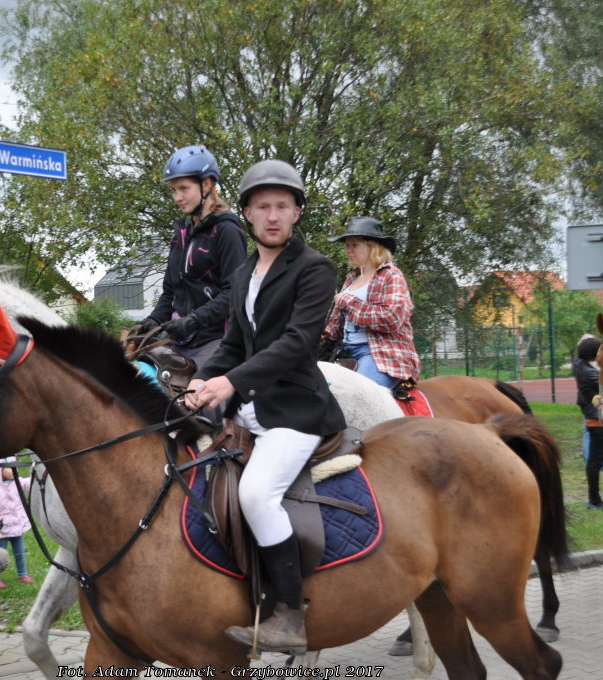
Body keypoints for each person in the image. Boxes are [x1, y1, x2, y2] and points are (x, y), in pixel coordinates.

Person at [185, 159, 346, 655]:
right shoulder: (241, 273)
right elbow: (236, 343)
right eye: (263, 207)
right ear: (249, 214)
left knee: (256, 494)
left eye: (282, 206)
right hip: (248, 410)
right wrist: (202, 379)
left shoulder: (315, 268)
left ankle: (290, 615)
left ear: (296, 212)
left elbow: (297, 343)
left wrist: (230, 382)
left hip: (295, 410)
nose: (272, 216)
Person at [137, 145, 247, 368]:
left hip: (217, 339)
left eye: (184, 188)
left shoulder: (227, 231)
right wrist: (155, 318)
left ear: (206, 184)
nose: (177, 197)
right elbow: (170, 291)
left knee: (199, 389)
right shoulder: (181, 233)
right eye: (173, 190)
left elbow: (234, 293)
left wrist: (195, 320)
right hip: (180, 338)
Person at [322, 217, 420, 390]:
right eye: (347, 246)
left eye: (354, 245)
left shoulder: (391, 275)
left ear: (372, 247)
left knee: (356, 394)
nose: (349, 251)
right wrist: (319, 334)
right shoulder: (351, 279)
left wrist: (349, 302)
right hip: (345, 353)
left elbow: (391, 318)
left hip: (381, 355)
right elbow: (337, 325)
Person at [0, 457, 35, 589]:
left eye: (14, 466)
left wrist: (36, 470)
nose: (13, 469)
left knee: (20, 553)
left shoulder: (18, 483)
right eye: (9, 467)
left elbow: (31, 483)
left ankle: (22, 574)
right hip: (1, 529)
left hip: (17, 526)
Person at [574, 335, 603, 509]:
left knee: (595, 460)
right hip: (597, 420)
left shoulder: (582, 366)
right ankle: (594, 500)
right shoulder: (589, 372)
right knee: (596, 461)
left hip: (594, 418)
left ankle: (594, 499)